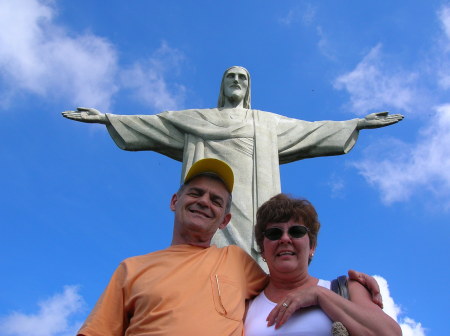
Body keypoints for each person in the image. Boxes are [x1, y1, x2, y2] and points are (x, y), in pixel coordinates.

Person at [62, 66, 404, 267]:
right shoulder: (197, 120)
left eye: (242, 77)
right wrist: (108, 118)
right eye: (231, 77)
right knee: (206, 248)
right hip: (214, 198)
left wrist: (356, 123)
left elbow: (311, 130)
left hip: (254, 200)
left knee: (257, 251)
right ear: (223, 86)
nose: (237, 81)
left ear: (248, 86)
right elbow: (153, 126)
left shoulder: (265, 123)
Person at [77, 158, 383, 336]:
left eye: (215, 200)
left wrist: (351, 286)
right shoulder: (132, 269)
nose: (204, 202)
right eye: (195, 193)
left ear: (225, 220)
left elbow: (289, 278)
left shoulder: (236, 261)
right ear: (174, 201)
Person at [244, 194, 402, 336]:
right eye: (274, 233)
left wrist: (320, 295)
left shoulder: (346, 289)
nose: (285, 239)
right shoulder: (246, 305)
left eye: (296, 231)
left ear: (312, 247)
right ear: (263, 250)